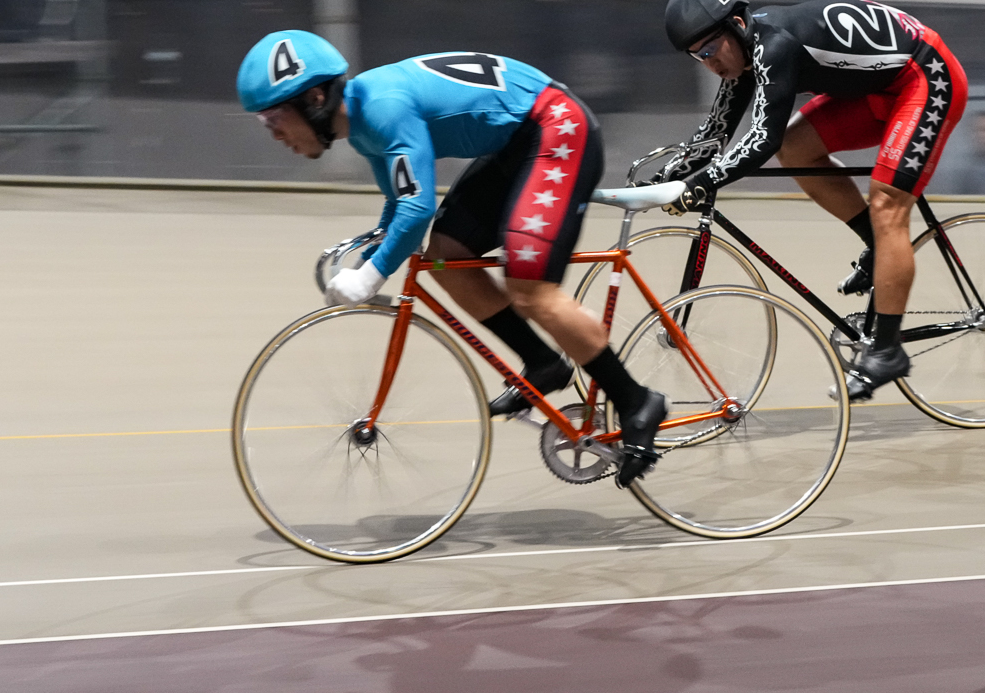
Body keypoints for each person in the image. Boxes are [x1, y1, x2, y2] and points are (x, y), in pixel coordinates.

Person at [237, 31, 668, 486]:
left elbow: (418, 208)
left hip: (556, 129)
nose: (274, 133)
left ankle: (637, 400)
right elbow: (398, 203)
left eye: (273, 118)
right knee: (445, 256)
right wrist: (372, 251)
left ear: (316, 97)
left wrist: (370, 277)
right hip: (517, 143)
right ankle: (544, 363)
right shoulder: (361, 124)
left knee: (531, 289)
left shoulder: (382, 109)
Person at [660, 0, 969, 400]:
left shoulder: (774, 47)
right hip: (879, 88)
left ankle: (888, 350)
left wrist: (701, 183)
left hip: (925, 76)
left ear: (736, 24)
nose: (709, 64)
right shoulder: (746, 50)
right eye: (697, 57)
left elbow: (758, 141)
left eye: (710, 51)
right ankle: (877, 247)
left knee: (886, 204)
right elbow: (718, 131)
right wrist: (672, 174)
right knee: (796, 146)